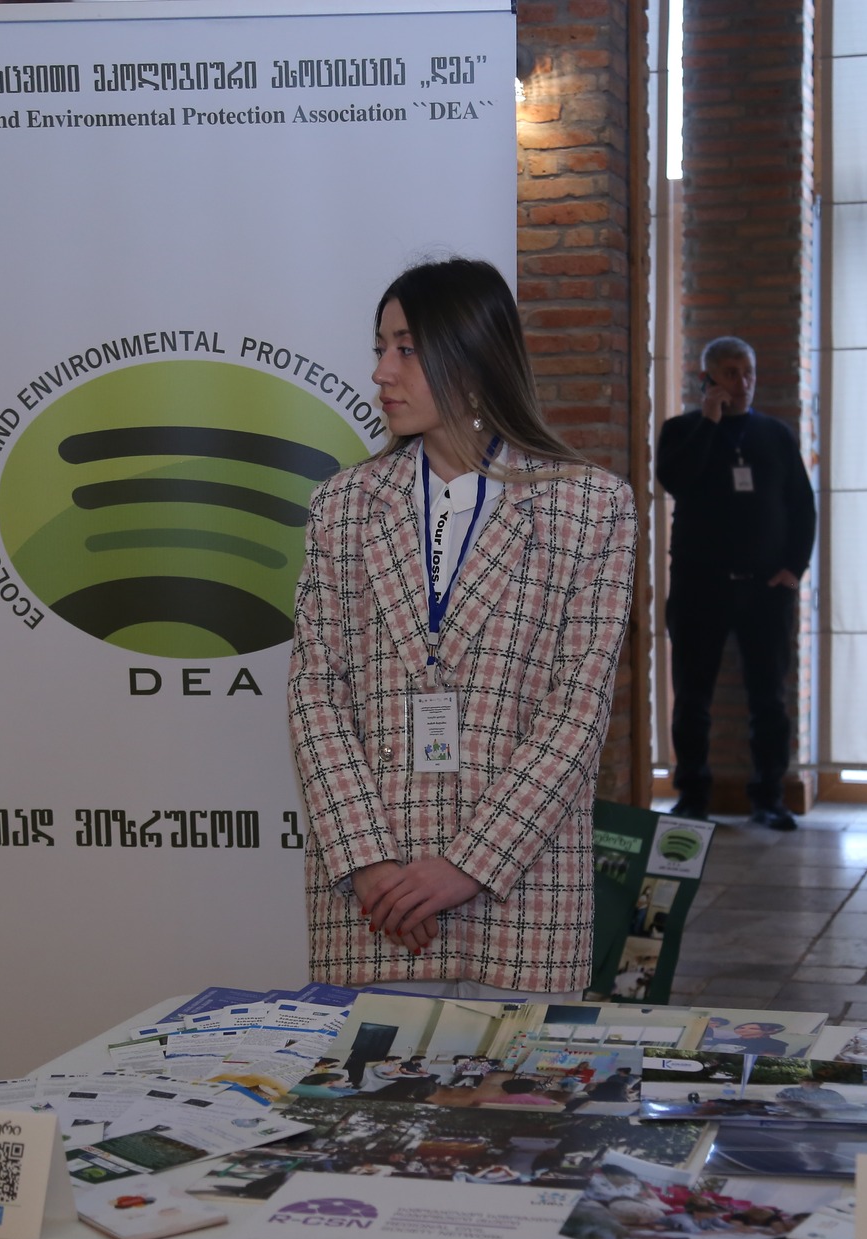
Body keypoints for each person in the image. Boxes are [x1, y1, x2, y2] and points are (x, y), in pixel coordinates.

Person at [288, 258, 638, 999]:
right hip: (377, 906)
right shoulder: (343, 506)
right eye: (380, 347)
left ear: (474, 358)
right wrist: (368, 862)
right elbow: (316, 694)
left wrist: (467, 865)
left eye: (407, 349)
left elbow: (577, 712)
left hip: (521, 894)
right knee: (373, 1078)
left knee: (519, 1079)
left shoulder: (590, 506)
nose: (381, 371)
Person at [654, 337, 815, 829]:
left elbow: (802, 506)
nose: (742, 382)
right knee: (692, 698)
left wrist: (794, 568)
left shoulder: (776, 435)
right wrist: (709, 421)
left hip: (766, 590)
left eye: (748, 372)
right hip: (699, 587)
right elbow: (677, 481)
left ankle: (769, 797)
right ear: (707, 378)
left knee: (769, 699)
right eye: (730, 373)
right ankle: (692, 796)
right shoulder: (681, 430)